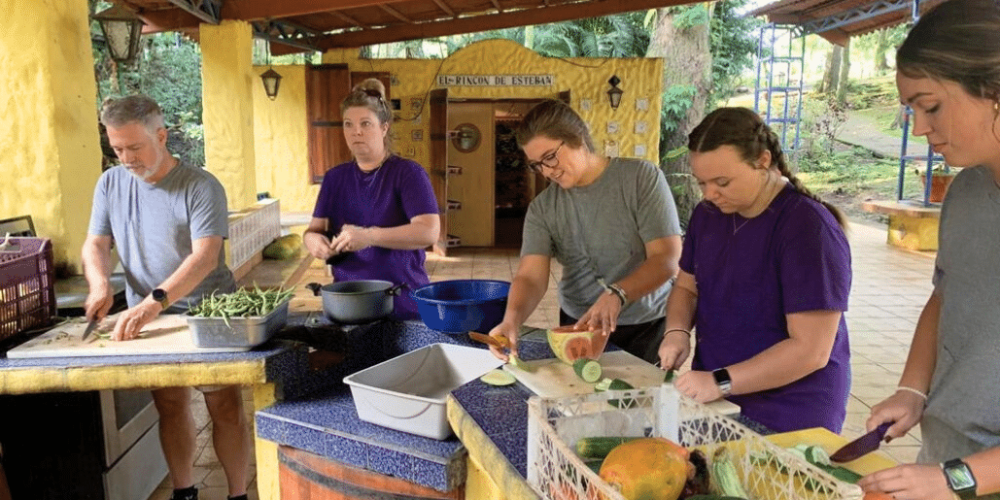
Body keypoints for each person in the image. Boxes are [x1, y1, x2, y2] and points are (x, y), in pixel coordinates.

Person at [857, 2, 1000, 499]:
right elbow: (947, 295)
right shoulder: (966, 193)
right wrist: (913, 389)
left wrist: (956, 479)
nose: (919, 128)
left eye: (931, 105)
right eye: (911, 110)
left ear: (994, 91)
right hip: (947, 459)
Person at [83, 95, 250, 500]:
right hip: (151, 317)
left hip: (209, 316)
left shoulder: (200, 185)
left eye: (135, 147)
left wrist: (154, 299)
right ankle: (184, 491)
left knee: (224, 407)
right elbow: (96, 243)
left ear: (162, 136)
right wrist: (100, 284)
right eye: (117, 148)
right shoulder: (110, 183)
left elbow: (206, 256)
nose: (126, 158)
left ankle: (238, 493)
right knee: (170, 406)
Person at [657, 107, 852, 434]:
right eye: (701, 182)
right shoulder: (709, 215)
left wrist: (721, 381)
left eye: (722, 182)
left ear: (763, 161)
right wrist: (676, 332)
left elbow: (811, 350)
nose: (709, 194)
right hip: (717, 398)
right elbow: (687, 287)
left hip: (790, 409)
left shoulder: (808, 228)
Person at [488, 99, 683, 364]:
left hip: (643, 324)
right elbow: (531, 276)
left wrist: (618, 294)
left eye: (549, 157)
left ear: (578, 138)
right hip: (578, 324)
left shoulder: (641, 178)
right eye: (536, 164)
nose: (546, 171)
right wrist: (511, 320)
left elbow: (666, 258)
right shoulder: (543, 208)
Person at [304, 79, 440, 321]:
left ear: (384, 127)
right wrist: (313, 241)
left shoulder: (408, 173)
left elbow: (428, 232)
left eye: (365, 123)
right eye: (349, 124)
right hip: (348, 303)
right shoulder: (335, 178)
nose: (356, 131)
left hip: (400, 301)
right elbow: (314, 230)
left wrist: (368, 236)